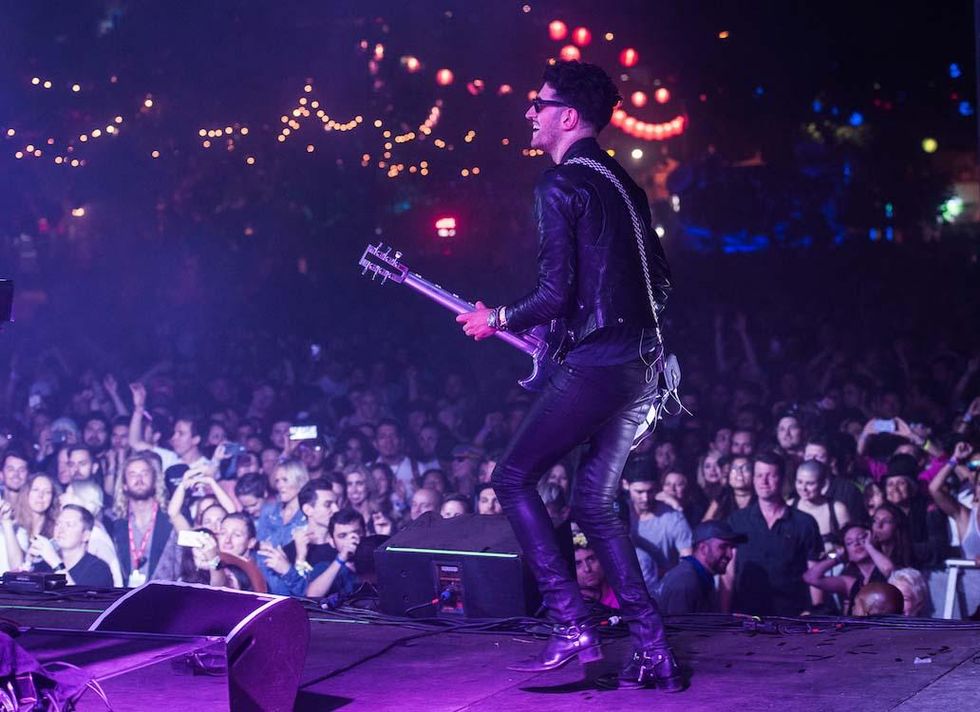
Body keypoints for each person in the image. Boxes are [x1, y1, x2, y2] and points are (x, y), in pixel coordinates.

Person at [456, 60, 682, 690]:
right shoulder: (623, 182)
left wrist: (496, 317)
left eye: (538, 103)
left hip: (603, 364)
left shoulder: (559, 185)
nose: (528, 112)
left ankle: (570, 625)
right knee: (592, 504)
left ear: (567, 117)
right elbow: (657, 281)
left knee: (512, 476)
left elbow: (556, 292)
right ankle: (653, 650)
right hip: (642, 367)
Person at [723, 452, 823, 616]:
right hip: (746, 617)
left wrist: (816, 613)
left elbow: (815, 574)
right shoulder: (737, 521)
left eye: (771, 475)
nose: (764, 481)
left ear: (782, 479)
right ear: (754, 479)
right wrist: (725, 614)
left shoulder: (805, 523)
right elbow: (728, 574)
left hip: (791, 617)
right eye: (759, 475)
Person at [927, 441, 980, 618]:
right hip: (972, 600)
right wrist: (955, 459)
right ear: (976, 490)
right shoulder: (966, 516)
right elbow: (934, 489)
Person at [110, 452, 177, 586]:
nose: (139, 479)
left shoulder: (172, 518)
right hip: (126, 599)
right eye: (132, 474)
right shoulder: (114, 523)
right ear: (124, 484)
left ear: (154, 481)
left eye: (145, 474)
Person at [803, 522, 894, 614]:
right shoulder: (850, 582)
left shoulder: (885, 567)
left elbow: (888, 570)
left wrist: (869, 546)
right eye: (849, 543)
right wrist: (838, 557)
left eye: (862, 539)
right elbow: (811, 578)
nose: (856, 544)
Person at [655, 521, 744, 614]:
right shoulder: (686, 583)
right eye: (723, 547)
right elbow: (679, 627)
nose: (730, 554)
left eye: (732, 547)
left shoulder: (700, 577)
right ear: (703, 548)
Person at [28, 505, 113, 587]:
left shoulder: (98, 570)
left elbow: (78, 600)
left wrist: (56, 563)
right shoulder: (45, 565)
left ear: (85, 535)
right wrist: (29, 564)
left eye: (69, 525)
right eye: (58, 524)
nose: (60, 529)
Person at [791, 460, 850, 551]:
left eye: (810, 483)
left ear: (823, 484)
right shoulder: (789, 506)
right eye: (799, 482)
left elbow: (849, 545)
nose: (803, 488)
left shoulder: (838, 510)